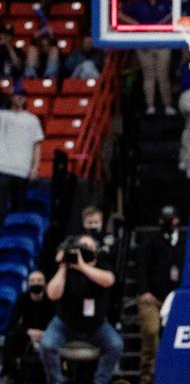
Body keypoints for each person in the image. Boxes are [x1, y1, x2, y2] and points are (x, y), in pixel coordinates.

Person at [40, 234, 122, 384]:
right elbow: (52, 294)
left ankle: (100, 381)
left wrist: (82, 267)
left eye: (88, 247)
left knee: (115, 344)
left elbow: (109, 280)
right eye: (82, 247)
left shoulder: (102, 265)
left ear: (96, 250)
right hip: (65, 324)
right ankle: (56, 381)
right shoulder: (67, 267)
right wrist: (63, 266)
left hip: (96, 326)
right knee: (47, 345)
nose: (85, 250)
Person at [135, 205, 185, 384]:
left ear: (178, 220)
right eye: (165, 219)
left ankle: (176, 376)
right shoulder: (151, 241)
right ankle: (147, 377)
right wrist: (144, 291)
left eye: (172, 219)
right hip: (153, 298)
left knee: (180, 336)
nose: (169, 222)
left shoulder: (184, 242)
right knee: (151, 331)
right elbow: (140, 268)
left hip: (177, 298)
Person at [119, 0, 175, 115]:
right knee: (148, 75)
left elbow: (176, 13)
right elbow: (120, 14)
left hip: (162, 41)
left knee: (163, 75)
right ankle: (150, 106)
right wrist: (136, 25)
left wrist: (165, 23)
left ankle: (168, 105)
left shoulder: (165, 2)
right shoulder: (137, 4)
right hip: (144, 42)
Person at [3, 270, 53, 384]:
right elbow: (12, 323)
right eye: (32, 281)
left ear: (45, 283)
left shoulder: (51, 299)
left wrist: (43, 334)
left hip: (48, 334)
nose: (36, 283)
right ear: (28, 283)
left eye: (39, 280)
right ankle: (9, 374)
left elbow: (58, 323)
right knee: (10, 338)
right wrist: (28, 332)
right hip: (27, 334)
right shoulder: (22, 298)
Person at [0, 87, 43, 218]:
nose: (19, 98)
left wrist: (35, 168)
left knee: (18, 208)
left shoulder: (32, 120)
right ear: (11, 98)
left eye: (22, 96)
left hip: (22, 170)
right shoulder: (2, 115)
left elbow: (37, 145)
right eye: (16, 95)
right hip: (3, 167)